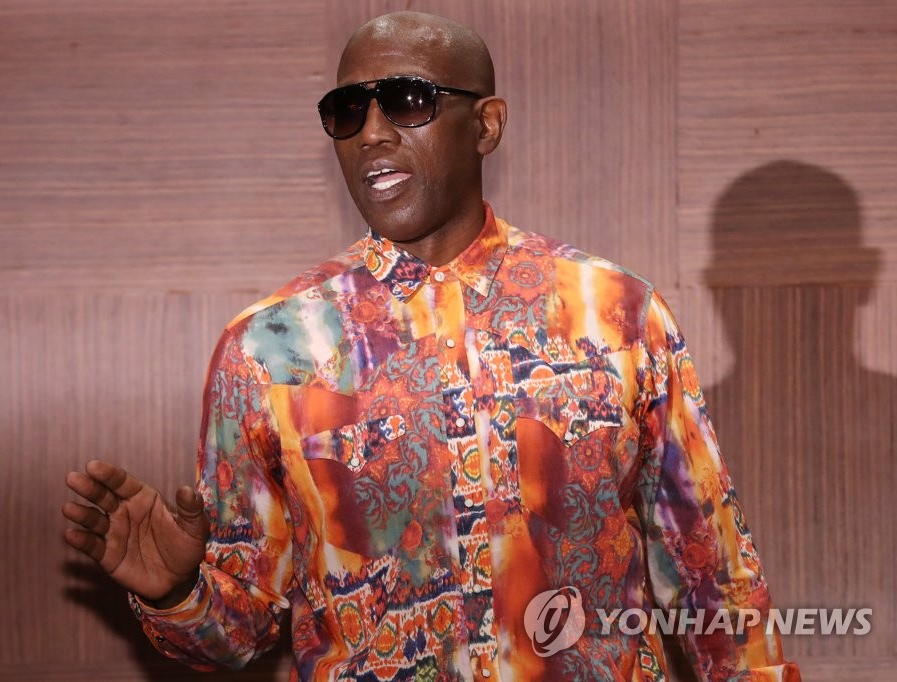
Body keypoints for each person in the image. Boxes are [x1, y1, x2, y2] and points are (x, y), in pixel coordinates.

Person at [64, 11, 801, 681]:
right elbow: (237, 635)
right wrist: (178, 591)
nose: (372, 133)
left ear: (486, 124)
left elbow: (715, 580)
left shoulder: (617, 316)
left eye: (407, 100)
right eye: (347, 112)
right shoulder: (268, 350)